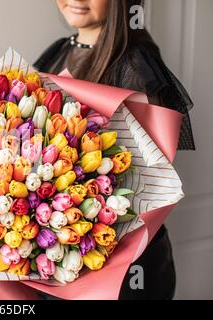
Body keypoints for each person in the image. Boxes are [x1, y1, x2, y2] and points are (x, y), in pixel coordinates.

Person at [33, 0, 196, 300]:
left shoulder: (136, 63)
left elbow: (144, 183)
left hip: (124, 270)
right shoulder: (56, 52)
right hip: (62, 257)